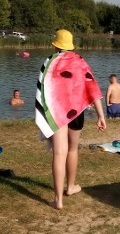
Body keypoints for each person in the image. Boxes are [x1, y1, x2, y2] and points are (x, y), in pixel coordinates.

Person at [36, 29, 106, 210]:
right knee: (73, 149)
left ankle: (58, 200)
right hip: (76, 111)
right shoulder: (80, 61)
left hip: (57, 111)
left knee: (59, 153)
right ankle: (70, 187)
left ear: (56, 44)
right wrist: (100, 115)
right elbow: (92, 86)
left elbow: (44, 92)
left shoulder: (49, 62)